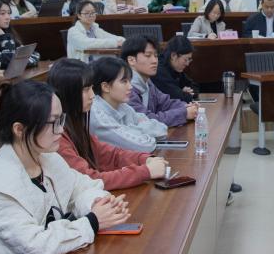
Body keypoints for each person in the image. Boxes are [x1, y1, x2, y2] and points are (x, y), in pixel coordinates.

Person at [0, 80, 131, 254]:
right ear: (19, 129)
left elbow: (81, 187)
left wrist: (98, 204)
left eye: (61, 119)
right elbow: (34, 248)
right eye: (53, 122)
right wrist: (93, 221)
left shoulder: (47, 158)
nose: (61, 130)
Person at [48, 58, 165, 191]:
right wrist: (145, 171)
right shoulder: (57, 135)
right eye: (86, 89)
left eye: (92, 88)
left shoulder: (75, 124)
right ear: (68, 92)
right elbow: (89, 179)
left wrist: (145, 159)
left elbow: (111, 154)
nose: (92, 95)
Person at [89, 56, 168, 153]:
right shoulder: (96, 114)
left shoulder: (123, 107)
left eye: (130, 81)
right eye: (124, 81)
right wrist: (140, 131)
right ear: (106, 87)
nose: (130, 87)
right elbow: (144, 146)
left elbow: (162, 129)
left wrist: (130, 130)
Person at [121, 35, 197, 127]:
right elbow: (146, 120)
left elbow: (165, 102)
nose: (154, 61)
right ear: (131, 60)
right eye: (148, 55)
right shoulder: (125, 88)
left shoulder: (147, 83)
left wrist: (187, 107)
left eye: (156, 55)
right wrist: (184, 113)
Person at [0, 0, 40, 71]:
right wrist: (4, 37)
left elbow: (35, 55)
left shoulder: (8, 32)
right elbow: (9, 62)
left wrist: (20, 62)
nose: (8, 17)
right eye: (2, 13)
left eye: (8, 13)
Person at [153, 35, 200, 103]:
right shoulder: (159, 71)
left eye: (189, 60)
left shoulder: (175, 68)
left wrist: (185, 92)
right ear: (173, 55)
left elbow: (194, 87)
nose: (187, 64)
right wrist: (183, 93)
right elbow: (177, 98)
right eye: (185, 59)